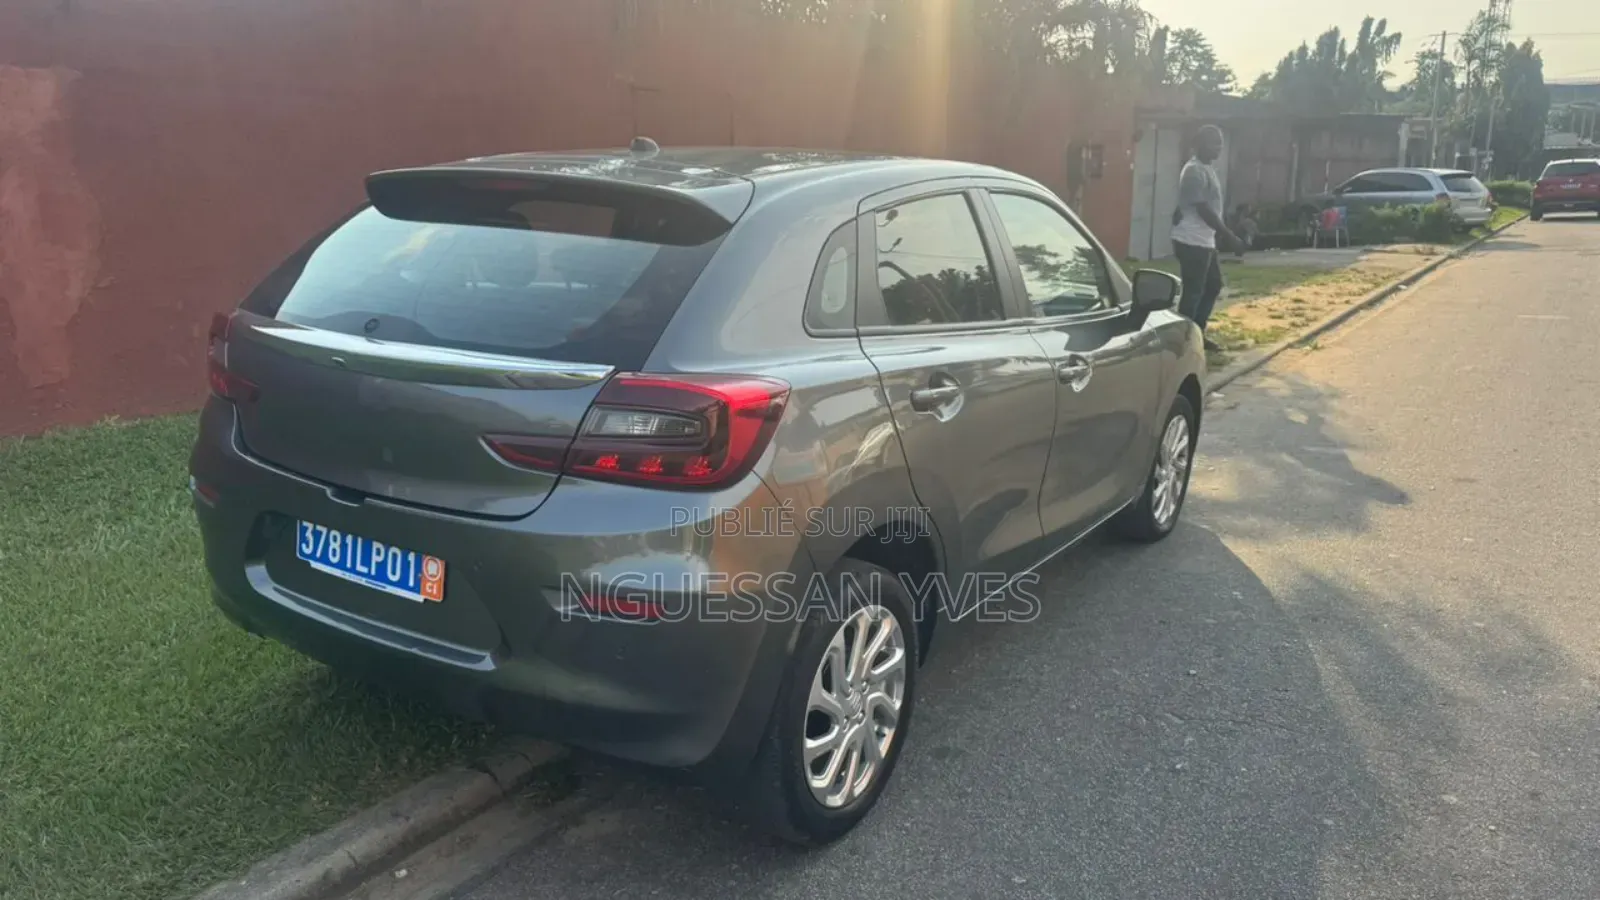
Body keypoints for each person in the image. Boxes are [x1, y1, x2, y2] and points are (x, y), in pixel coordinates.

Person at [1170, 125, 1240, 349]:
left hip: (1204, 240)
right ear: (1200, 144)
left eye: (1220, 143)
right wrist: (1228, 235)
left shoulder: (1207, 168)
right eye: (1214, 143)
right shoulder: (1194, 170)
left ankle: (1197, 332)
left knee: (1213, 285)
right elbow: (1203, 209)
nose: (1218, 147)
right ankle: (1184, 341)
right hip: (1191, 240)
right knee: (1193, 291)